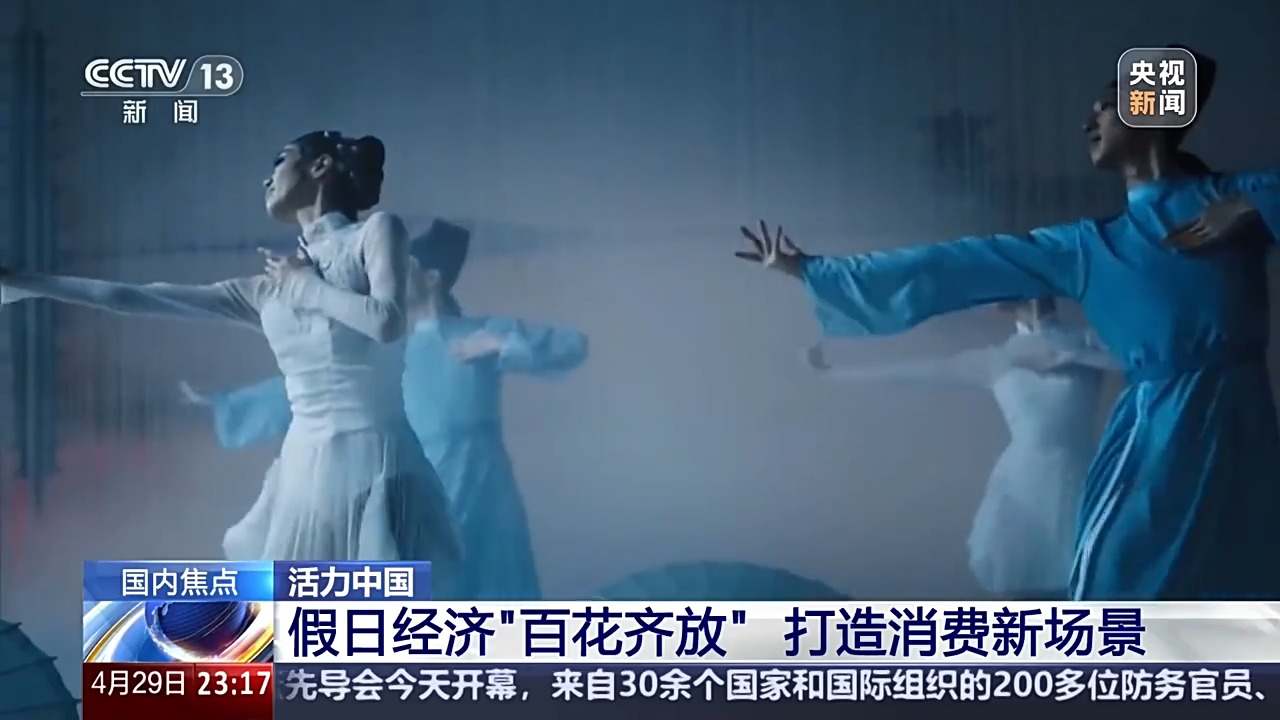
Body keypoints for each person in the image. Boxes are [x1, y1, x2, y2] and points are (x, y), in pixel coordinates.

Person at [735, 47, 1280, 600]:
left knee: (1245, 575)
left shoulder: (1230, 201)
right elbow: (954, 264)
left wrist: (1247, 206)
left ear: (1151, 111)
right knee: (1120, 580)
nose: (1089, 121)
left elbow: (1197, 74)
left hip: (1241, 418)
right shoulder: (1092, 248)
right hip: (1160, 429)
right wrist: (814, 271)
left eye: (1108, 105)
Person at [1, 131, 461, 571]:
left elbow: (386, 322)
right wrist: (25, 283)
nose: (267, 178)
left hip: (376, 458)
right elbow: (133, 297)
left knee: (376, 604)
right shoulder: (264, 289)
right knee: (294, 612)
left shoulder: (375, 232)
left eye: (280, 161)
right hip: (303, 471)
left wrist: (305, 286)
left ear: (321, 166)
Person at [182, 220, 588, 599]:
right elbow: (317, 385)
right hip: (413, 479)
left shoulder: (474, 334)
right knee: (420, 581)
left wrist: (501, 343)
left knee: (490, 585)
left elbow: (572, 345)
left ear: (431, 278)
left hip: (482, 483)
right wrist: (224, 406)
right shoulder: (383, 347)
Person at [805, 298, 1114, 598]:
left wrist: (1070, 350)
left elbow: (1139, 364)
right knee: (1017, 582)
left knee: (1088, 582)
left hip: (1083, 478)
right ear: (1002, 304)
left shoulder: (1091, 343)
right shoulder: (997, 360)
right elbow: (916, 372)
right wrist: (832, 372)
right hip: (1023, 488)